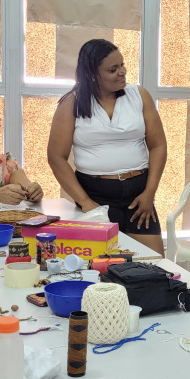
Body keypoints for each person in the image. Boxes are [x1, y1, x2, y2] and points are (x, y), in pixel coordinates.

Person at [48, 39, 167, 255]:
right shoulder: (71, 103)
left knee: (154, 261)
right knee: (101, 262)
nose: (122, 72)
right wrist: (85, 203)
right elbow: (56, 157)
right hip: (95, 195)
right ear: (92, 75)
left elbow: (158, 145)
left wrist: (150, 193)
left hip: (139, 196)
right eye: (113, 69)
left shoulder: (139, 95)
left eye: (122, 65)